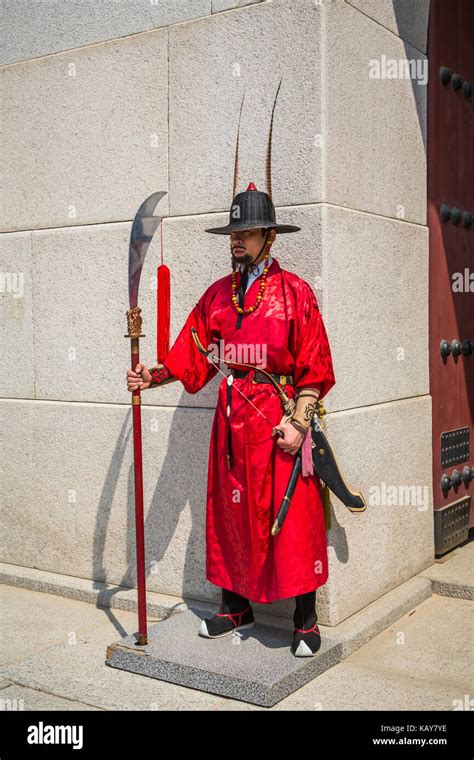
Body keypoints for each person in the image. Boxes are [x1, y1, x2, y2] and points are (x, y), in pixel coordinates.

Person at [127, 178, 336, 657]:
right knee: (231, 512)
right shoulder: (219, 296)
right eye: (233, 233)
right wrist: (150, 376)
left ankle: (305, 616)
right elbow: (192, 355)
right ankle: (235, 605)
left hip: (279, 416)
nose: (237, 240)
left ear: (270, 236)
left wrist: (299, 423)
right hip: (231, 420)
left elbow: (314, 367)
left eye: (248, 231)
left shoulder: (295, 293)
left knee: (293, 516)